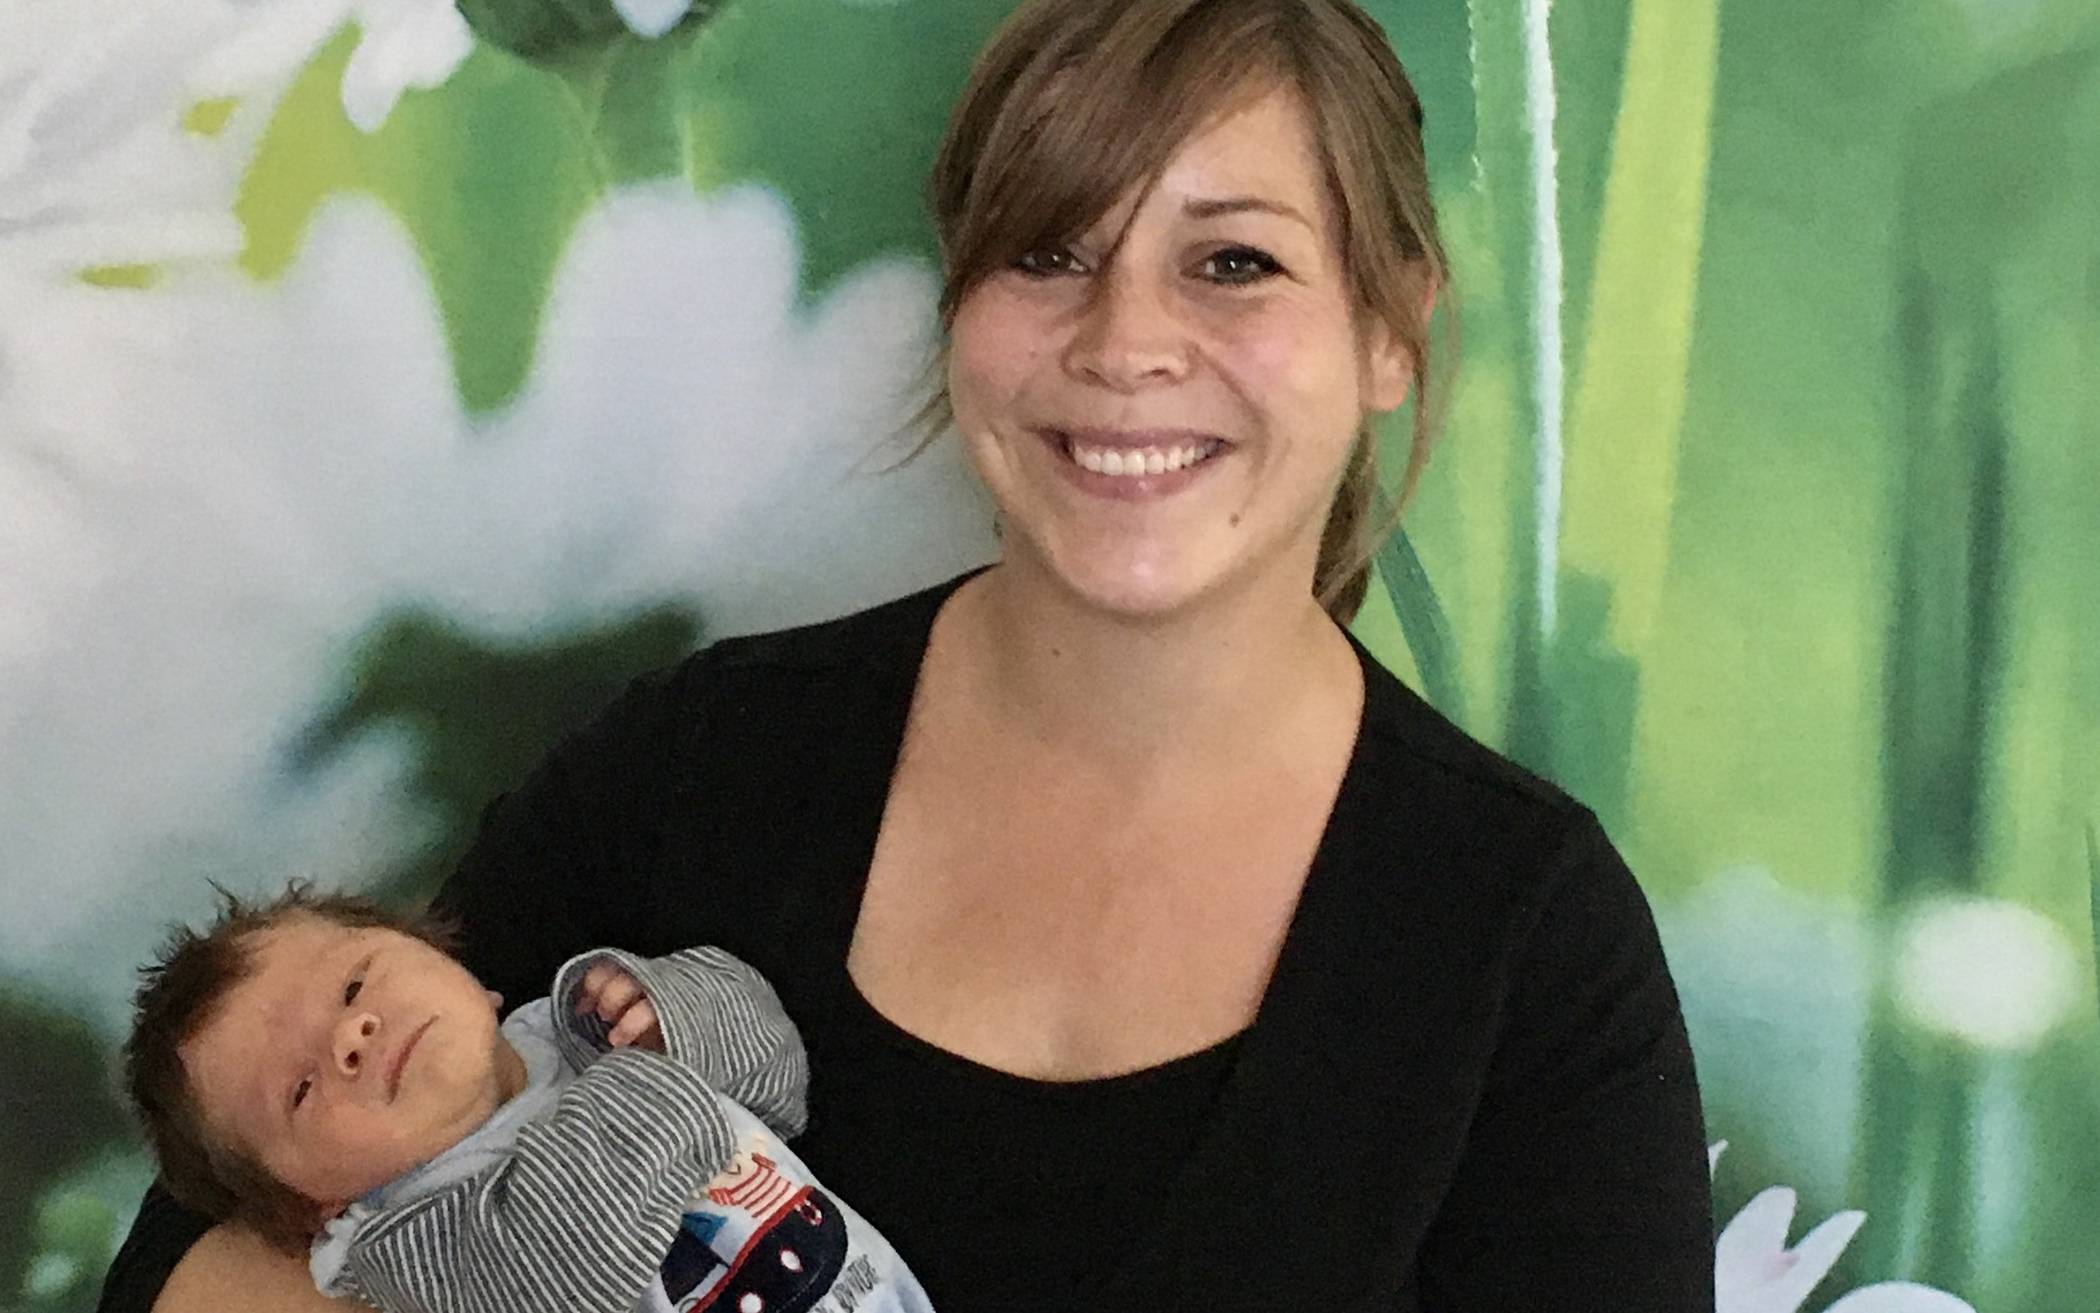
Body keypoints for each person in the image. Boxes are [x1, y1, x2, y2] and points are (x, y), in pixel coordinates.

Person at [100, 1, 1715, 1309]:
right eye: (1048, 252)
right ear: (958, 303)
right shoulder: (695, 767)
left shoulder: (1523, 938)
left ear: (1388, 328)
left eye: (1235, 261)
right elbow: (215, 1238)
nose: (1125, 342)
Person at [122, 885, 932, 1313]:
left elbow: (778, 1081)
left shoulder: (571, 1030)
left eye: (355, 983)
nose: (352, 1036)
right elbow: (567, 1269)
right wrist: (656, 1073)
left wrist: (675, 1017)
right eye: (301, 1089)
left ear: (458, 967)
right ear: (313, 1206)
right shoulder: (409, 1241)